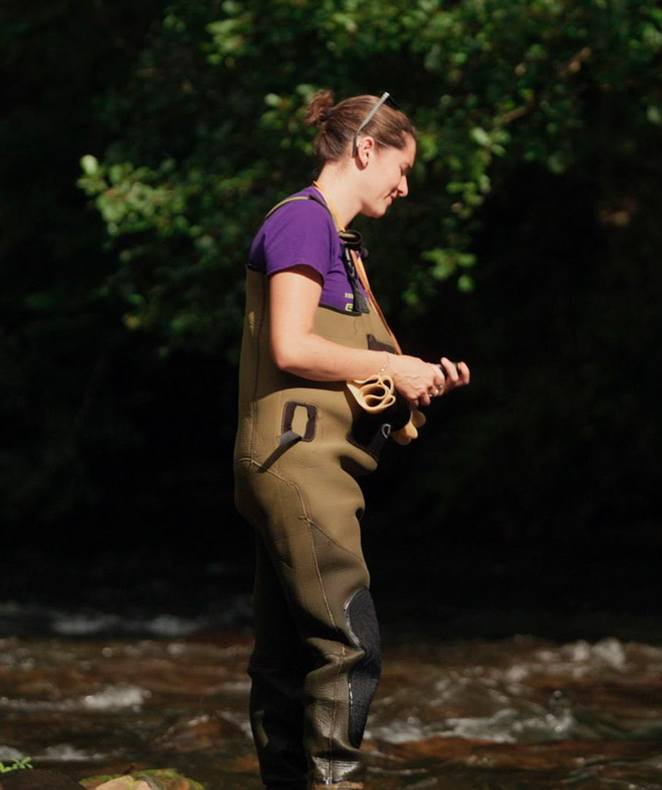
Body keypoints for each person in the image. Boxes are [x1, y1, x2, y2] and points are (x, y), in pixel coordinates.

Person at [233, 90, 470, 789]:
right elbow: (292, 345)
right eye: (402, 167)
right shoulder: (305, 224)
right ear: (367, 149)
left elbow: (338, 365)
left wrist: (410, 383)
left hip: (294, 462)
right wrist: (394, 365)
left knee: (284, 655)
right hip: (298, 466)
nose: (405, 185)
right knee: (348, 646)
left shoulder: (337, 245)